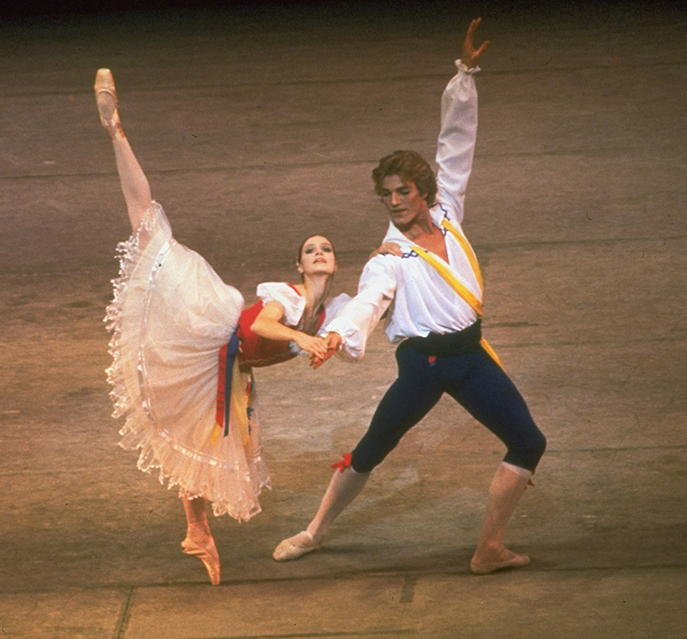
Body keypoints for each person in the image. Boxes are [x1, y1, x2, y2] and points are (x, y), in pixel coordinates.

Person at [273, 18, 547, 575]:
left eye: (403, 191)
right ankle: (316, 529)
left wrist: (465, 75)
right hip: (423, 365)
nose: (394, 201)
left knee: (528, 441)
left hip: (470, 357)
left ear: (425, 192)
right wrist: (334, 335)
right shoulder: (389, 258)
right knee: (374, 447)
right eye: (386, 195)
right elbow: (370, 301)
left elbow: (456, 148)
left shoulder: (449, 216)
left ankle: (488, 549)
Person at [95, 69, 349, 585]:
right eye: (310, 250)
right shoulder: (290, 298)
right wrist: (304, 339)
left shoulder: (331, 310)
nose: (319, 253)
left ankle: (197, 532)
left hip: (233, 367)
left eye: (326, 248)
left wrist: (393, 254)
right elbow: (267, 325)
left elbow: (366, 316)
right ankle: (116, 131)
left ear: (336, 263)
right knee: (150, 231)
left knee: (208, 444)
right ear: (299, 266)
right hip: (211, 320)